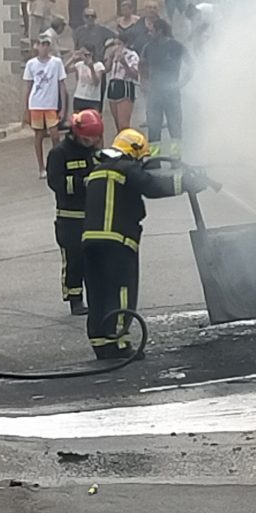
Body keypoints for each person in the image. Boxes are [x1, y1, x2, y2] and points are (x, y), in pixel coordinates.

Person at [81, 128, 208, 359]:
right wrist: (188, 181)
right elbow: (153, 187)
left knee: (98, 292)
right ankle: (118, 344)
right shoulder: (127, 168)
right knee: (120, 291)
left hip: (90, 243)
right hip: (118, 243)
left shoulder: (98, 171)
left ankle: (100, 344)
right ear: (135, 152)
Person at [45, 109, 103, 316]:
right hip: (69, 219)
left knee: (96, 259)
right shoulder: (59, 154)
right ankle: (75, 299)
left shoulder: (92, 152)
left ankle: (97, 296)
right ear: (77, 134)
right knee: (74, 260)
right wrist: (83, 183)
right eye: (90, 138)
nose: (94, 142)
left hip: (92, 216)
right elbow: (56, 183)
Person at [140, 18, 193, 157]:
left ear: (160, 31)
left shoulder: (176, 46)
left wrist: (181, 83)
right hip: (154, 94)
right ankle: (155, 158)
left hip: (171, 94)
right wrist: (144, 82)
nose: (149, 34)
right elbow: (142, 65)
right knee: (153, 127)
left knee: (174, 126)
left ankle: (176, 158)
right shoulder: (148, 47)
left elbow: (191, 65)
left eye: (152, 31)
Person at [22, 33, 67, 178]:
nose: (45, 47)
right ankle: (41, 167)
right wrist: (26, 109)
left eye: (47, 44)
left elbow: (62, 86)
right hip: (36, 104)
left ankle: (57, 164)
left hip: (51, 105)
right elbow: (28, 87)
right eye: (42, 44)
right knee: (39, 135)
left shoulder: (56, 63)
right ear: (37, 46)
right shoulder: (31, 64)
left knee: (55, 136)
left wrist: (63, 108)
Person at [105, 36, 140, 133]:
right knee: (117, 123)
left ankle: (126, 143)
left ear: (125, 44)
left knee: (123, 124)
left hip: (125, 85)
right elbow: (106, 69)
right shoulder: (113, 56)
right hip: (113, 84)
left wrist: (124, 63)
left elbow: (135, 74)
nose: (117, 47)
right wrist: (110, 57)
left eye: (119, 44)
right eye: (115, 44)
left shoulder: (131, 55)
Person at [66, 46, 105, 113]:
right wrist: (72, 59)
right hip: (79, 97)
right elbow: (65, 70)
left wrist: (91, 68)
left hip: (92, 99)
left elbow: (96, 82)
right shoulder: (79, 65)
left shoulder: (98, 65)